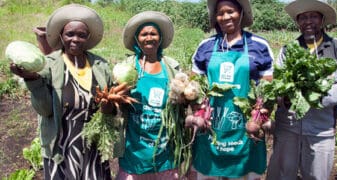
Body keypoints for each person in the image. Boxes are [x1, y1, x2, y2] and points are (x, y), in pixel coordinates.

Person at [10, 4, 122, 179]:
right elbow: (44, 110)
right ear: (61, 36)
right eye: (70, 34)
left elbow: (112, 106)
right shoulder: (49, 65)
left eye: (81, 35)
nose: (75, 39)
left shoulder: (100, 65)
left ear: (88, 38)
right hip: (60, 144)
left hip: (93, 144)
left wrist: (109, 109)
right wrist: (32, 79)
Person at [266, 0, 337, 179]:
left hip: (320, 130)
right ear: (298, 22)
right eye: (303, 17)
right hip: (288, 126)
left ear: (322, 20)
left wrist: (311, 98)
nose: (308, 21)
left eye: (313, 16)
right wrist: (285, 97)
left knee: (317, 175)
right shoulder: (288, 49)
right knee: (282, 174)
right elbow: (276, 85)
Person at [191, 0, 274, 179]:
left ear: (241, 13)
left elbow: (268, 90)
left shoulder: (259, 45)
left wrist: (257, 121)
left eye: (231, 11)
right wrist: (199, 114)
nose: (225, 17)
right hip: (211, 127)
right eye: (220, 13)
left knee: (246, 174)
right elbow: (193, 87)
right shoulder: (206, 46)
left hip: (246, 130)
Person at [116, 11, 186, 179]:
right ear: (137, 39)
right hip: (134, 152)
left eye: (153, 34)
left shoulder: (171, 67)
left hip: (165, 152)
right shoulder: (127, 67)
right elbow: (116, 104)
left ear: (160, 38)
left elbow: (183, 101)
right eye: (144, 34)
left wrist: (183, 99)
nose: (149, 38)